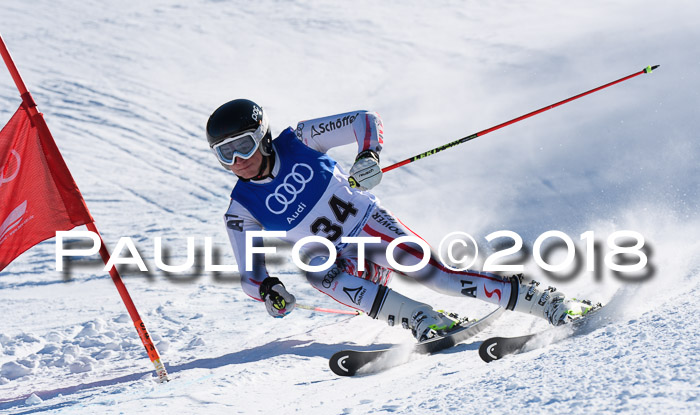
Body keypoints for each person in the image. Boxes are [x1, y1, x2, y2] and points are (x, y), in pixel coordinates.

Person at [207, 99, 594, 342]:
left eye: (243, 145)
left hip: (371, 227)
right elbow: (252, 275)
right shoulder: (242, 207)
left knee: (439, 277)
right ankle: (423, 320)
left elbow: (363, 120)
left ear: (263, 136)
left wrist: (369, 156)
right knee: (316, 272)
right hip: (348, 266)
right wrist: (269, 292)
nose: (237, 159)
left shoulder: (301, 140)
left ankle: (543, 300)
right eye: (225, 154)